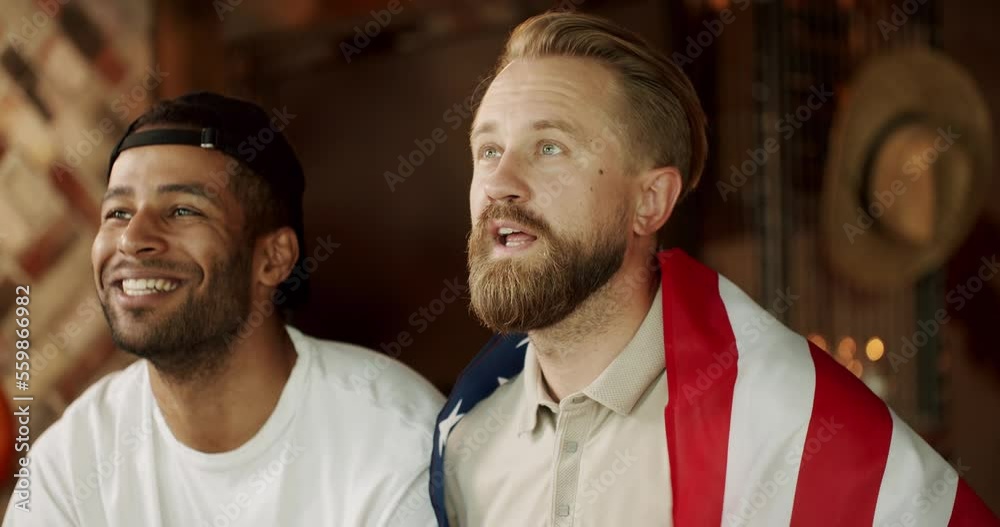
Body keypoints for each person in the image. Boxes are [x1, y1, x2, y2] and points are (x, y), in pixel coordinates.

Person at [430, 11, 998, 526]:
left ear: (650, 202)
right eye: (488, 150)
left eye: (549, 147)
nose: (500, 183)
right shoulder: (463, 449)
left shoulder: (794, 435)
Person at [3, 92, 443, 526]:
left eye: (181, 210)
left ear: (273, 258)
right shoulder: (71, 463)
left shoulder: (395, 440)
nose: (132, 239)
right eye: (117, 212)